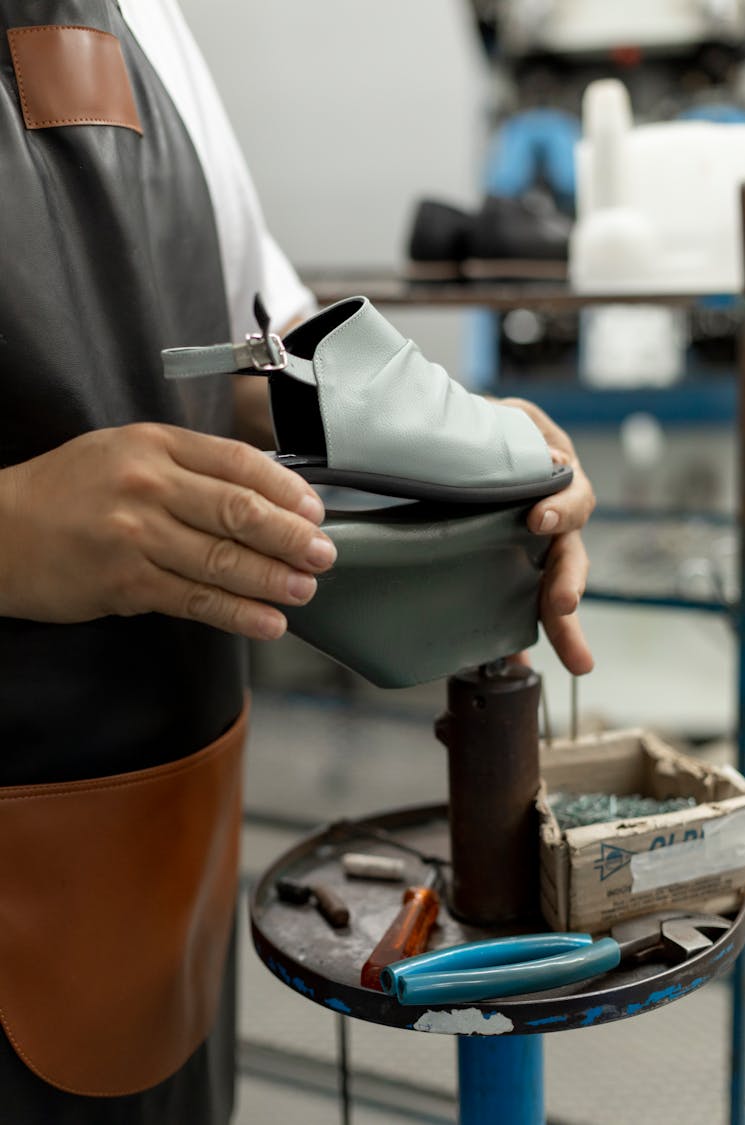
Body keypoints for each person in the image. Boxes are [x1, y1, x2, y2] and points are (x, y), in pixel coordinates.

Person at [0, 1, 594, 1123]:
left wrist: (489, 467)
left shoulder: (148, 25)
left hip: (150, 855)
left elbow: (253, 365)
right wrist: (15, 529)